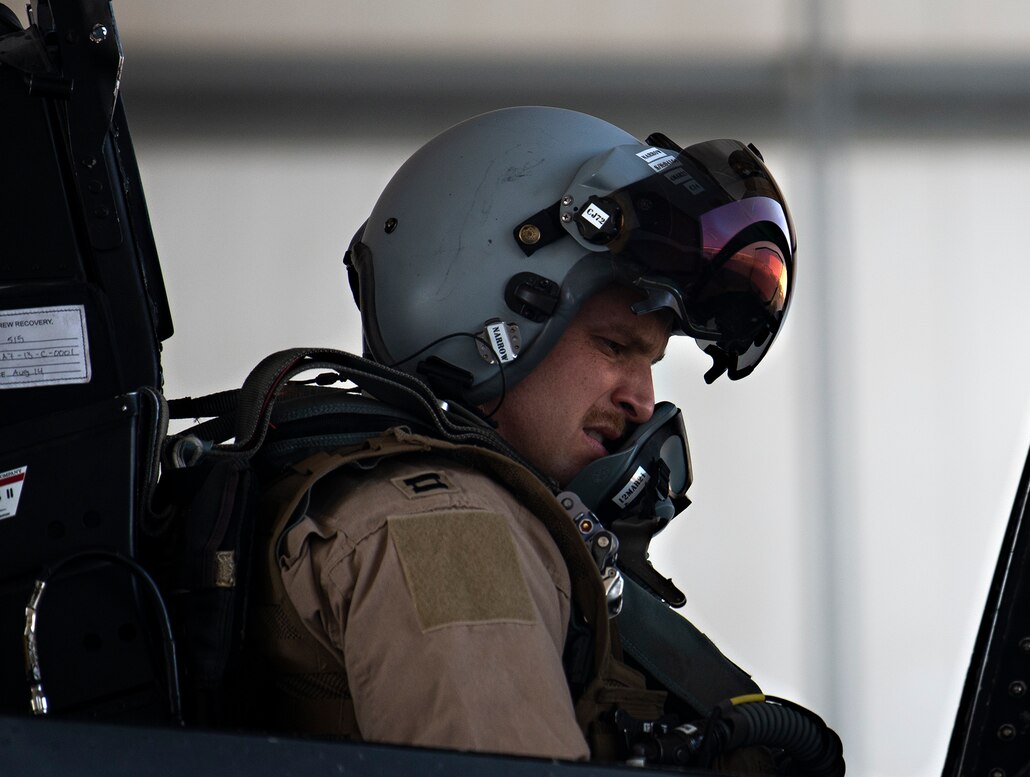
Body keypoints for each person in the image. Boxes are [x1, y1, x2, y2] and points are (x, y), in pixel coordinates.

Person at [248, 106, 797, 765]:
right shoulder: (449, 529)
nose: (643, 399)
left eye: (650, 362)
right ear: (482, 317)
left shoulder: (405, 507)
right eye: (613, 344)